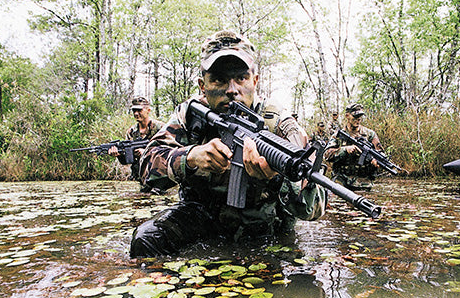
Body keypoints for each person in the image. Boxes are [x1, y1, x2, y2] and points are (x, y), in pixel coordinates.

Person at [130, 30, 327, 258]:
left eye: (241, 78)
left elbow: (316, 207)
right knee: (146, 239)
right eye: (219, 80)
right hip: (203, 217)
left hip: (265, 226)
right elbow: (146, 167)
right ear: (202, 85)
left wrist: (277, 179)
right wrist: (190, 157)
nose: (232, 90)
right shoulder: (190, 115)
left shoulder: (279, 123)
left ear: (255, 81)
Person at [324, 103, 384, 191]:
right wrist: (344, 150)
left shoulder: (370, 134)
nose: (358, 119)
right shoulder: (338, 135)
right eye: (355, 116)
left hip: (364, 183)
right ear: (347, 116)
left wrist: (376, 161)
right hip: (341, 182)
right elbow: (327, 155)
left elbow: (380, 153)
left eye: (360, 116)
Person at [108, 97, 164, 181]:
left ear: (148, 110)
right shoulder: (131, 132)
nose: (136, 114)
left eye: (139, 110)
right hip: (138, 177)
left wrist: (146, 153)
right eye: (134, 111)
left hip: (159, 176)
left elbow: (169, 150)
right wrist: (118, 155)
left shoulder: (161, 128)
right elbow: (127, 161)